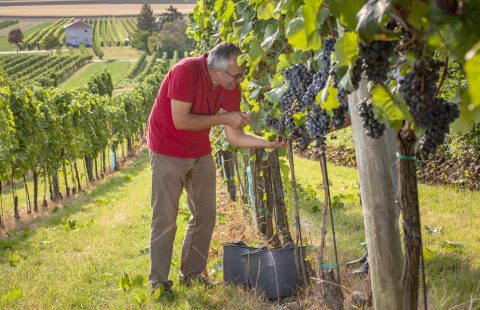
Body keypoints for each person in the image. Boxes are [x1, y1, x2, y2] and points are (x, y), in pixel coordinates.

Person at [147, 42, 284, 294]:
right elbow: (181, 120)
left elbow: (235, 136)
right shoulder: (184, 72)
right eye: (237, 75)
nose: (241, 79)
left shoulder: (230, 86)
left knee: (206, 214)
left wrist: (267, 143)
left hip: (199, 151)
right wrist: (223, 118)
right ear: (218, 71)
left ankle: (191, 274)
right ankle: (158, 282)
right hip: (166, 148)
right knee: (165, 217)